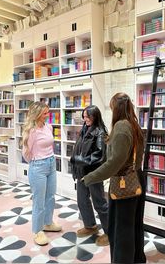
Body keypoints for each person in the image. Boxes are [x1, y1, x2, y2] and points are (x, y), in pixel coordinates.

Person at [82, 93, 146, 263]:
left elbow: (114, 164)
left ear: (116, 109)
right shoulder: (134, 125)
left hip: (124, 182)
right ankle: (137, 258)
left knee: (121, 229)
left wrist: (90, 177)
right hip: (136, 178)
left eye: (111, 107)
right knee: (134, 225)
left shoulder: (121, 128)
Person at [22, 101, 61, 246]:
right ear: (37, 114)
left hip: (51, 164)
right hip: (37, 167)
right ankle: (37, 231)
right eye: (45, 113)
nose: (48, 115)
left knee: (50, 196)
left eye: (47, 112)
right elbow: (26, 153)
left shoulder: (48, 126)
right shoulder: (31, 131)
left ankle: (48, 223)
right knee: (39, 201)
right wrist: (36, 162)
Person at [70, 105, 109, 246]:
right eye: (84, 116)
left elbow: (99, 156)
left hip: (93, 173)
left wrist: (78, 160)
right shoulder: (85, 129)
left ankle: (110, 233)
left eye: (87, 116)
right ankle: (91, 226)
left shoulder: (100, 132)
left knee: (100, 203)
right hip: (81, 172)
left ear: (95, 116)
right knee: (82, 200)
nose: (85, 119)